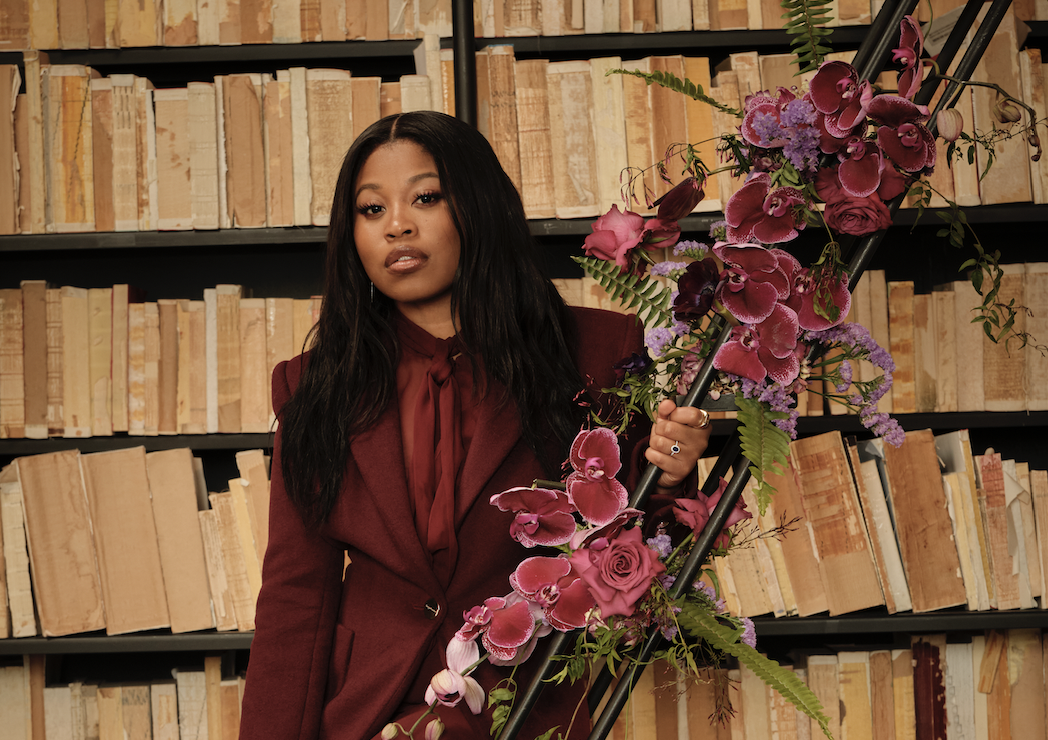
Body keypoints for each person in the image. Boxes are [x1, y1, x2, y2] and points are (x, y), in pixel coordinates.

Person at [238, 110, 712, 740]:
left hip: (525, 702)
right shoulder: (312, 386)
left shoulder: (598, 352)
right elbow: (296, 593)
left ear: (478, 208)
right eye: (371, 209)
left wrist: (677, 476)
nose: (397, 225)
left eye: (426, 198)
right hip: (364, 712)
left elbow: (639, 553)